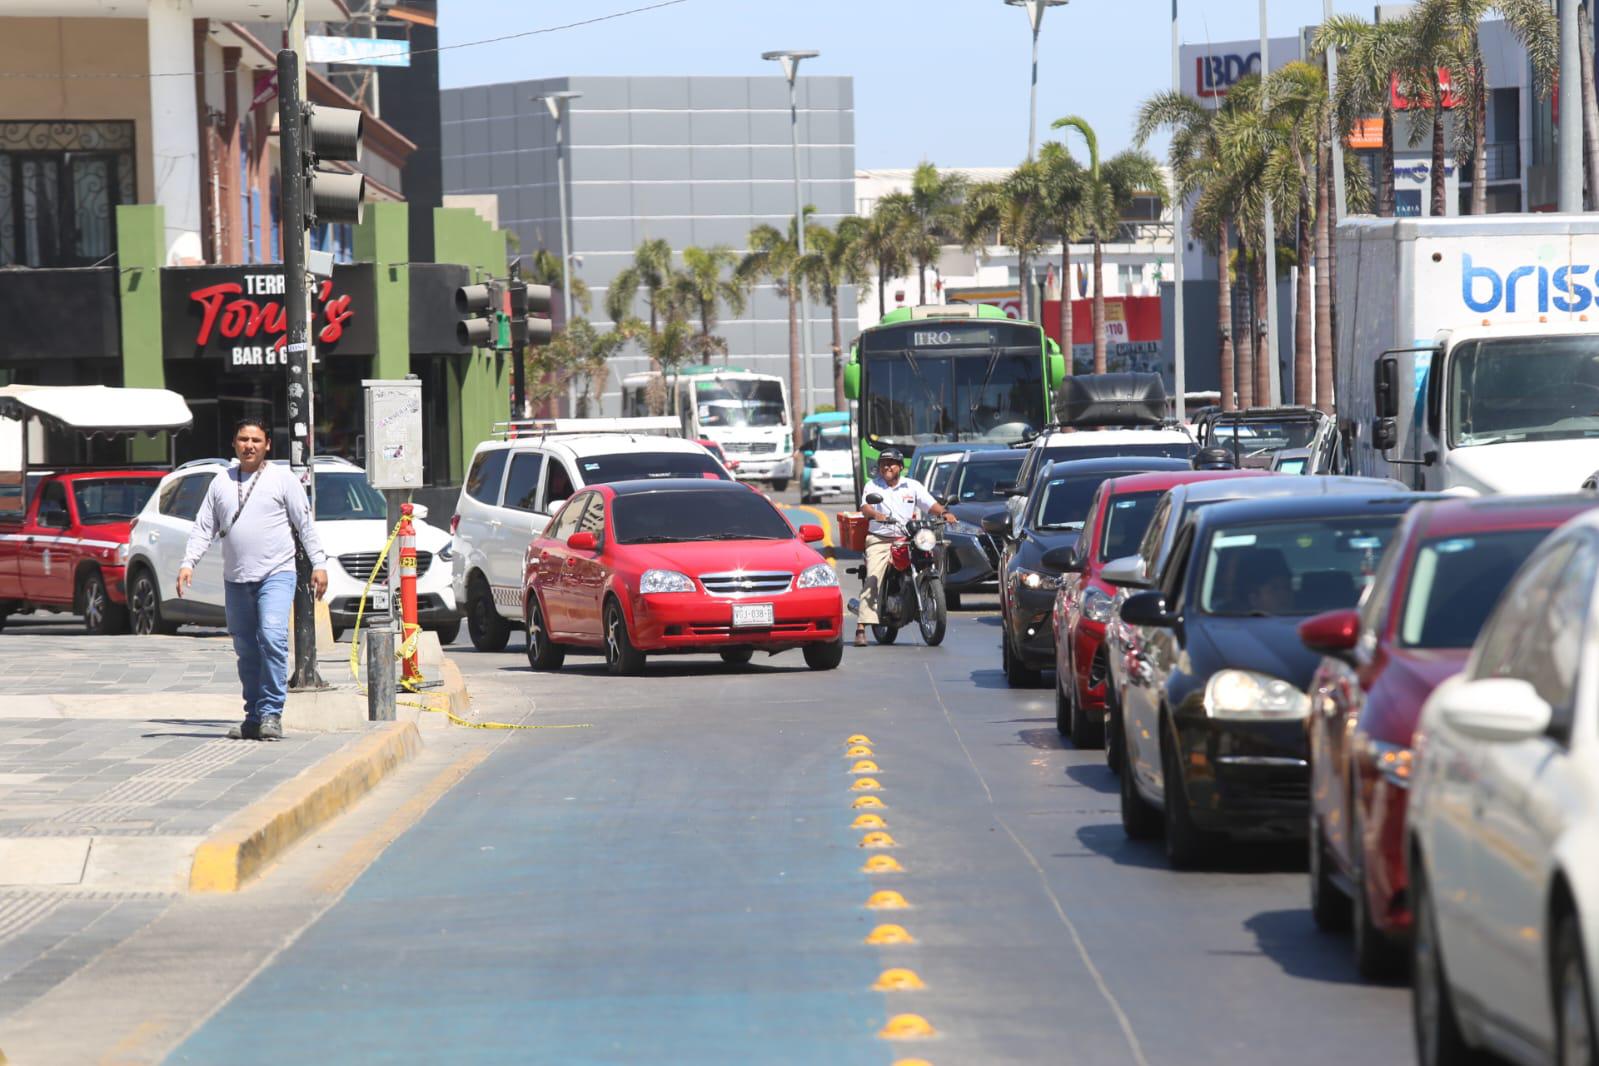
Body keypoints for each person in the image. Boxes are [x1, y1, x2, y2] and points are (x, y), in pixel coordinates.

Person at [178, 418, 329, 741]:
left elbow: (304, 524)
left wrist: (319, 563)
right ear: (234, 443)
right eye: (243, 439)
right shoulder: (221, 482)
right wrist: (188, 563)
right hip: (236, 580)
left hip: (277, 574)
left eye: (256, 440)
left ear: (267, 445)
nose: (249, 445)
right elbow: (204, 526)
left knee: (272, 638)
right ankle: (253, 715)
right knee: (246, 649)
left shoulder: (281, 479)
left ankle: (272, 713)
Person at [855, 448, 955, 646]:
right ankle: (861, 627)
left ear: (900, 466)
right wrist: (876, 515)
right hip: (880, 539)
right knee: (873, 578)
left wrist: (944, 513)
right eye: (883, 463)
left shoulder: (912, 486)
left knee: (930, 556)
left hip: (907, 538)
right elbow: (865, 507)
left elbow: (930, 504)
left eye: (892, 463)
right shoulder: (873, 486)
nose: (887, 467)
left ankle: (925, 595)